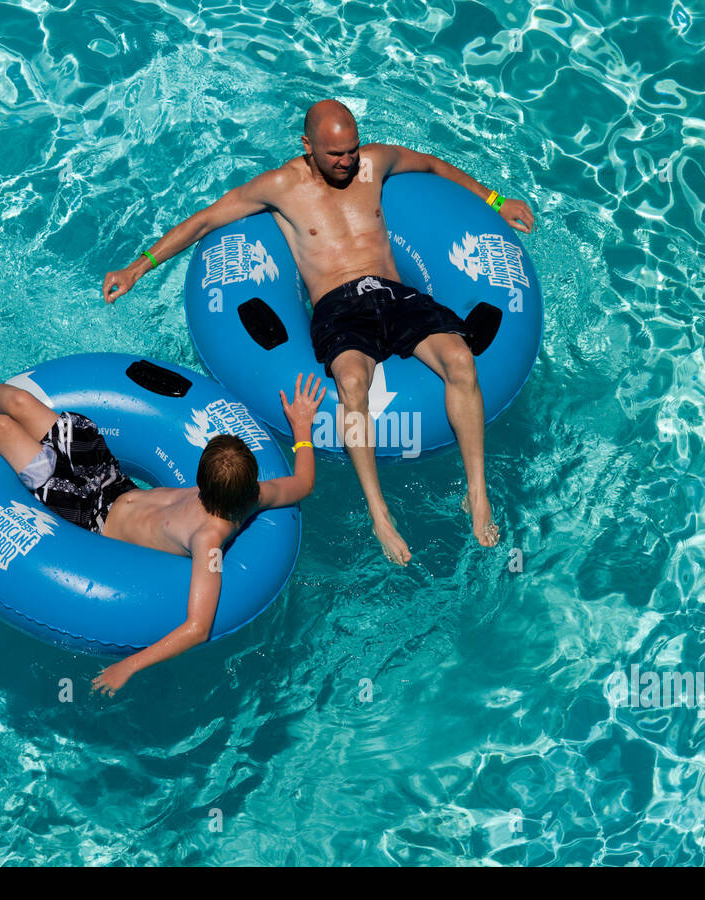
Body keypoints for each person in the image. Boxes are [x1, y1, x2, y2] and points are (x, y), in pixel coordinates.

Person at [101, 99, 535, 565]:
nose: (348, 162)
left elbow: (430, 164)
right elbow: (206, 219)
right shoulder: (282, 186)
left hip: (395, 294)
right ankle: (379, 511)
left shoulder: (374, 162)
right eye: (335, 155)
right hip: (340, 307)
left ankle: (477, 491)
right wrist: (138, 267)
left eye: (352, 149)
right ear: (307, 146)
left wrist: (494, 200)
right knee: (352, 382)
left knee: (461, 360)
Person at [0, 365, 325, 695]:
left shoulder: (209, 541)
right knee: (14, 400)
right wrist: (301, 426)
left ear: (203, 482)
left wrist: (127, 667)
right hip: (110, 479)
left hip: (87, 513)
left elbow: (197, 627)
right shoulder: (257, 493)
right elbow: (303, 480)